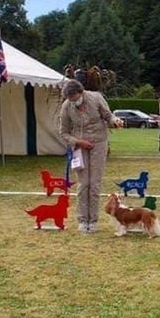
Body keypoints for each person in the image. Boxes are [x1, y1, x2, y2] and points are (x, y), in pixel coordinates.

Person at [58, 79, 122, 232]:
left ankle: (93, 221)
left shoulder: (96, 98)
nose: (72, 101)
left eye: (73, 98)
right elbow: (63, 132)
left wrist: (116, 121)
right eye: (69, 99)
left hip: (99, 143)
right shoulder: (66, 106)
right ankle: (82, 220)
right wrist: (78, 141)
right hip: (79, 147)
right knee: (83, 184)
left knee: (95, 183)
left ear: (80, 92)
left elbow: (108, 116)